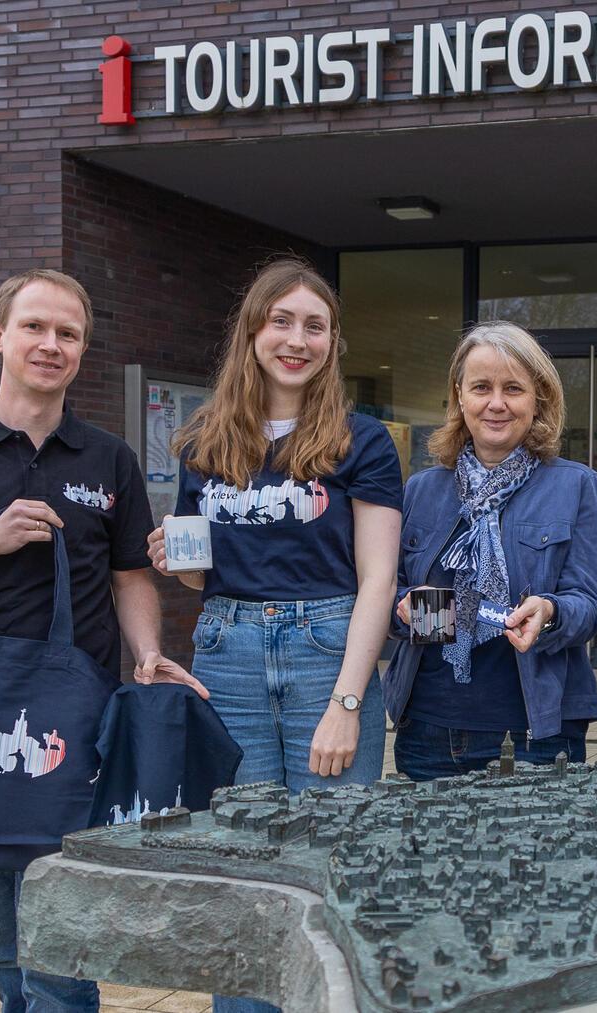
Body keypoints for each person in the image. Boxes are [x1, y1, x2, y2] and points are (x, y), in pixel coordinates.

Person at [0, 269, 204, 1012]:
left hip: (71, 729)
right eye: (35, 327)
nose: (51, 344)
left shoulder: (108, 458)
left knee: (57, 948)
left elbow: (129, 576)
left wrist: (147, 652)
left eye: (68, 334)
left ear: (83, 349)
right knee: (6, 948)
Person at [146, 257, 401, 1013]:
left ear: (332, 342)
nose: (297, 340)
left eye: (314, 326)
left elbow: (378, 579)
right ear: (253, 331)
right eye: (281, 321)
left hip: (329, 652)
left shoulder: (362, 441)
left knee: (330, 859)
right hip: (228, 651)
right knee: (241, 866)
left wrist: (347, 703)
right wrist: (174, 563)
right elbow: (204, 575)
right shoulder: (203, 441)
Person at [384, 322, 597, 780]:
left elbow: (588, 608)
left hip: (536, 734)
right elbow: (388, 596)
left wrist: (550, 612)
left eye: (513, 389)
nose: (497, 403)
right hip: (427, 729)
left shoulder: (576, 486)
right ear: (460, 396)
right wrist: (408, 610)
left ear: (538, 398)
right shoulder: (422, 490)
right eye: (482, 387)